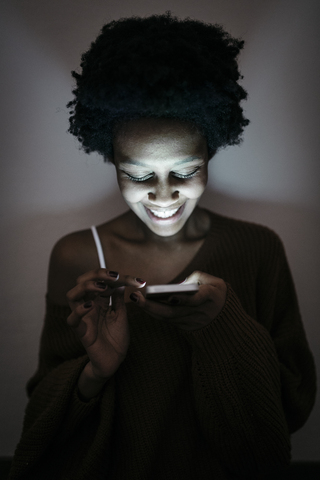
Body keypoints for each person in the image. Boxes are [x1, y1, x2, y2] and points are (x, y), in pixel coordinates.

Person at [10, 12, 316, 480]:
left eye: (185, 171)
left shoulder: (260, 249)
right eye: (138, 175)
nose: (164, 194)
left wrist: (223, 325)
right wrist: (96, 371)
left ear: (211, 152)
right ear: (110, 159)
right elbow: (42, 421)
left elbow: (292, 406)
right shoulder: (76, 255)